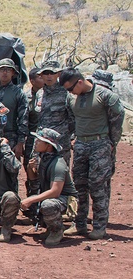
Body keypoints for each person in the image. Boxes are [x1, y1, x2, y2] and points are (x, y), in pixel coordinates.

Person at [59, 68, 124, 240]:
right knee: (79, 185)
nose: (70, 92)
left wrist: (112, 142)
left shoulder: (104, 95)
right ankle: (79, 224)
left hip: (100, 143)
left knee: (98, 186)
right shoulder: (72, 97)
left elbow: (118, 117)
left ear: (79, 82)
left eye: (70, 88)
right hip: (80, 144)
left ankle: (99, 226)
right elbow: (71, 118)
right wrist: (74, 136)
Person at [21, 128, 78, 246]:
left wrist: (31, 200)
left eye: (39, 141)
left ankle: (57, 230)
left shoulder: (58, 164)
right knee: (39, 200)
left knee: (47, 205)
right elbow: (34, 180)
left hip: (65, 199)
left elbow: (55, 192)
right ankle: (49, 228)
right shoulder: (44, 159)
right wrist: (29, 168)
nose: (36, 142)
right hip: (52, 196)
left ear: (48, 146)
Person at [0, 59, 28, 160]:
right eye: (2, 70)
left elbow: (23, 118)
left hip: (11, 137)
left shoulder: (18, 93)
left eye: (8, 70)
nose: (4, 72)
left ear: (13, 73)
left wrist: (20, 143)